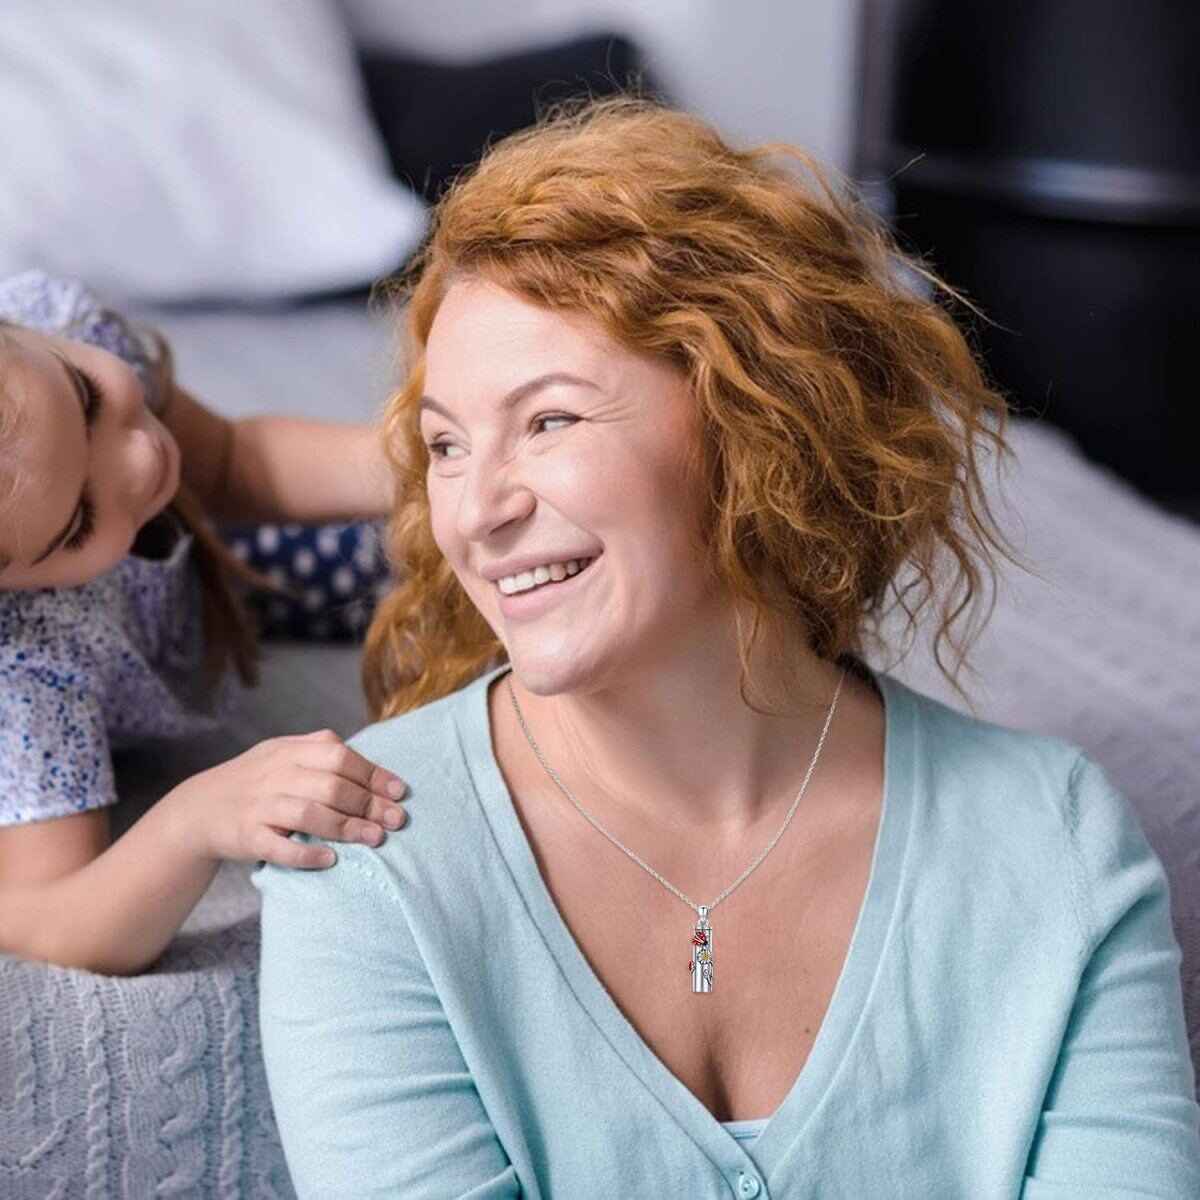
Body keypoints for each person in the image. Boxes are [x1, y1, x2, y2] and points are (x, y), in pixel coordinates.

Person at [252, 94, 1200, 1196]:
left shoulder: (1056, 844)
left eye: (550, 419)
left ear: (760, 419)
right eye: (448, 447)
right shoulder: (365, 857)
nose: (475, 511)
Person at [0, 269, 411, 976]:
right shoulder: (31, 676)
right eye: (80, 521)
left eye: (89, 399)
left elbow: (225, 464)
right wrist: (192, 820)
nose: (139, 460)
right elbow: (46, 918)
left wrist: (432, 457)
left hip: (179, 577)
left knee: (434, 538)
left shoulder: (59, 330)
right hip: (118, 638)